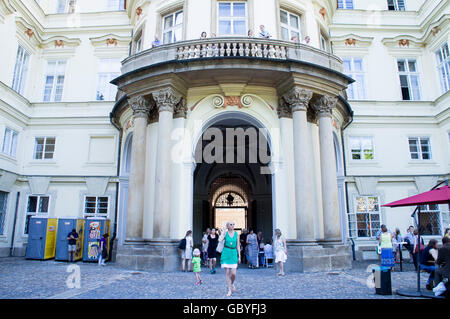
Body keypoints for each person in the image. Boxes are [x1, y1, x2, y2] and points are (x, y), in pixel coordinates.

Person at [219, 221, 240, 297]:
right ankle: (229, 290)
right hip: (226, 253)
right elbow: (220, 240)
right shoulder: (225, 233)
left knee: (234, 274)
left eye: (233, 224)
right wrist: (223, 232)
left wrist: (239, 255)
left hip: (233, 253)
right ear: (228, 226)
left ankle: (231, 283)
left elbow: (238, 246)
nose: (233, 225)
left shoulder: (237, 234)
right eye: (231, 224)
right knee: (227, 272)